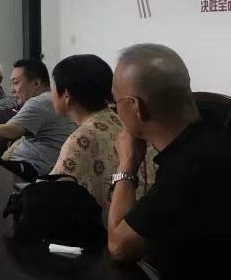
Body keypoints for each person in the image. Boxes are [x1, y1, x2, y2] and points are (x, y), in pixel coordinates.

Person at [107, 44, 231, 280]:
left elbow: (120, 246)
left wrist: (127, 164)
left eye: (115, 102)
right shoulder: (217, 124)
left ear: (135, 107)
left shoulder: (189, 169)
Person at [48, 54, 156, 221]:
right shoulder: (122, 120)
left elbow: (52, 195)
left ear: (67, 95)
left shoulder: (81, 138)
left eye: (53, 87)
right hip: (144, 222)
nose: (51, 93)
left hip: (108, 229)